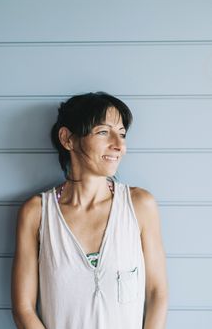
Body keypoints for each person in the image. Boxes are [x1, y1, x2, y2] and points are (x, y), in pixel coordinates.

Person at [11, 91, 168, 329]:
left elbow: (157, 293)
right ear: (68, 139)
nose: (119, 145)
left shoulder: (140, 205)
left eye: (122, 134)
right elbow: (23, 308)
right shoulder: (37, 213)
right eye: (104, 132)